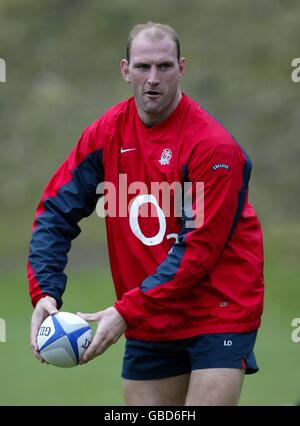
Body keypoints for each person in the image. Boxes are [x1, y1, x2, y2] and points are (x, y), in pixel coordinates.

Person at [27, 22, 264, 406]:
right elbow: (55, 211)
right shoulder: (107, 134)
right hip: (150, 317)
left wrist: (126, 311)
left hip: (219, 309)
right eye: (142, 67)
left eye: (164, 66)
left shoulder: (213, 147)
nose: (153, 79)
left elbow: (199, 249)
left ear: (182, 68)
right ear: (125, 70)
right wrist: (44, 292)